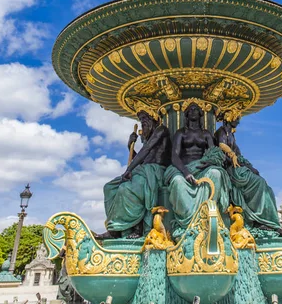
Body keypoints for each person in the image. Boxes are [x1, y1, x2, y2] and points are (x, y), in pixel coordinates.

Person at [97, 105, 171, 239]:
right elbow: (142, 158)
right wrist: (129, 146)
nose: (142, 122)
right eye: (141, 119)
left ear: (154, 118)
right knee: (109, 187)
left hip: (156, 171)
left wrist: (129, 169)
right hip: (143, 170)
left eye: (145, 118)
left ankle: (137, 228)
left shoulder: (161, 130)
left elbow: (147, 150)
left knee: (127, 189)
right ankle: (115, 228)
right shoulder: (147, 138)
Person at [214, 110, 282, 237]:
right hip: (229, 169)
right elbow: (221, 145)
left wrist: (249, 166)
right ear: (229, 117)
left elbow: (239, 156)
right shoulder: (222, 131)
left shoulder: (232, 136)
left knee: (267, 188)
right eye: (237, 117)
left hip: (236, 167)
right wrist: (231, 154)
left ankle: (269, 222)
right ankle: (258, 219)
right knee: (259, 183)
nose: (238, 121)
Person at [164, 99, 230, 236]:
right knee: (177, 182)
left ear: (200, 114)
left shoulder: (206, 134)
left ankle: (210, 216)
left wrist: (210, 162)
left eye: (196, 109)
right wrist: (186, 172)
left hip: (202, 167)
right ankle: (186, 223)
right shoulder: (181, 133)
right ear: (186, 115)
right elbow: (174, 156)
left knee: (216, 174)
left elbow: (214, 153)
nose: (193, 111)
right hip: (183, 169)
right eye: (191, 110)